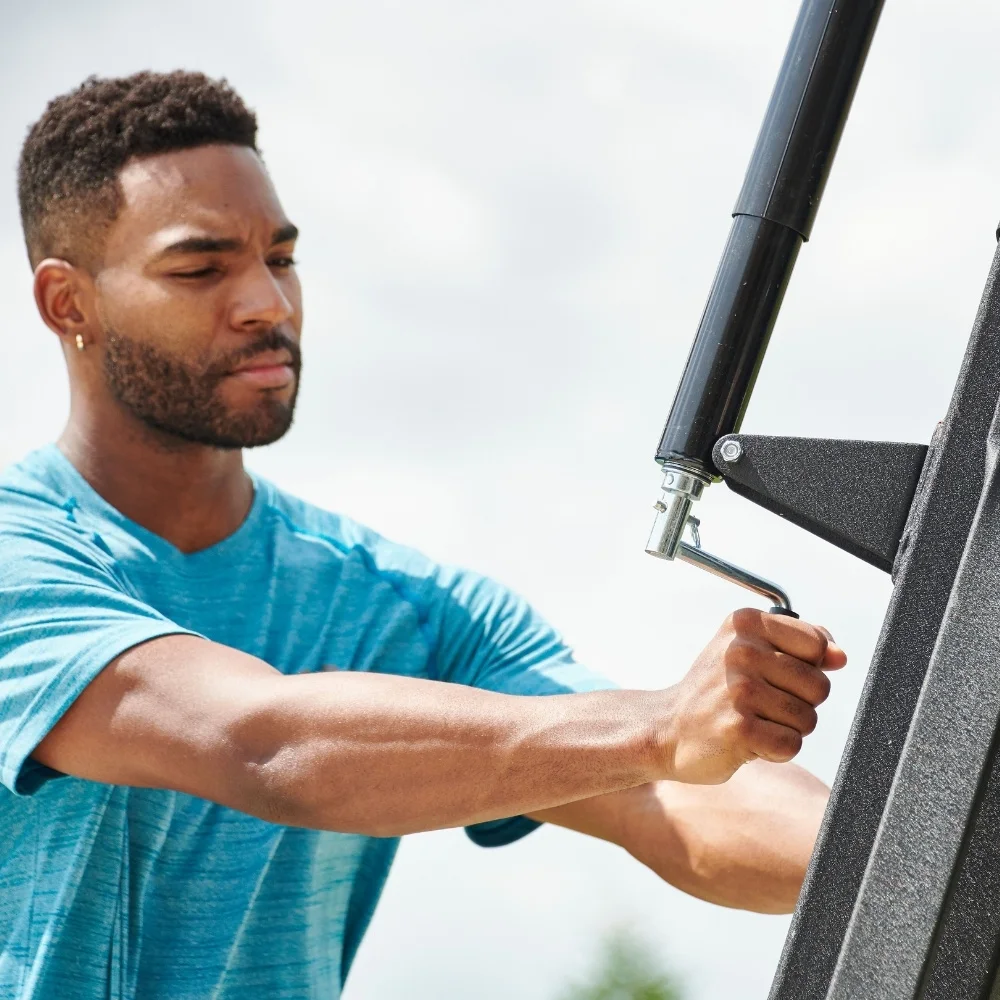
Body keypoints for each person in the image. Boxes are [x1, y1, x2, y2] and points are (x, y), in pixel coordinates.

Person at [0, 71, 846, 1000]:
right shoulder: (18, 554)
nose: (268, 304)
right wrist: (657, 725)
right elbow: (254, 742)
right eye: (200, 269)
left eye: (280, 258)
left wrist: (922, 855)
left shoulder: (406, 605)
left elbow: (668, 798)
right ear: (68, 303)